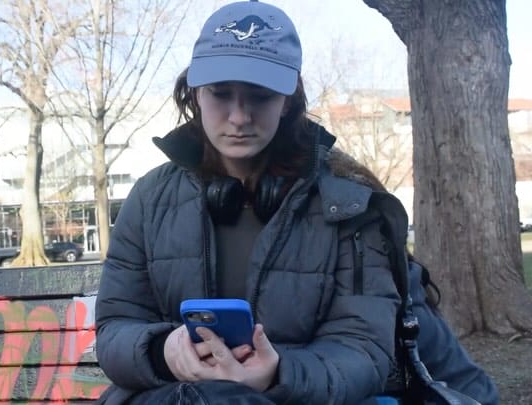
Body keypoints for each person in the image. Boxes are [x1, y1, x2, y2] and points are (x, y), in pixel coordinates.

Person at [95, 1, 404, 404]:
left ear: (288, 101)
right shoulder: (150, 199)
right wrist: (161, 351)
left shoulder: (347, 205)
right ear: (196, 94)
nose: (239, 117)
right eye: (220, 94)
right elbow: (116, 327)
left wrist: (279, 373)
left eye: (259, 96)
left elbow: (365, 349)